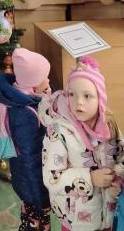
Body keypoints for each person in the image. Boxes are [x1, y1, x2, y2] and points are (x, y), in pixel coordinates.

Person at [39, 56, 123, 230]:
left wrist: (118, 178)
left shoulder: (109, 125)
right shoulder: (58, 132)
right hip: (76, 220)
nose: (79, 102)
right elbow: (52, 178)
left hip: (109, 212)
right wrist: (90, 178)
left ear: (100, 99)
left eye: (87, 96)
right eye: (72, 94)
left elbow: (121, 156)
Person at [0, 47, 52, 230]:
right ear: (33, 85)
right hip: (34, 182)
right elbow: (29, 159)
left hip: (29, 178)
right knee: (37, 221)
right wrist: (41, 194)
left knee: (32, 216)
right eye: (45, 78)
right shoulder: (25, 115)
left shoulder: (26, 97)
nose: (49, 81)